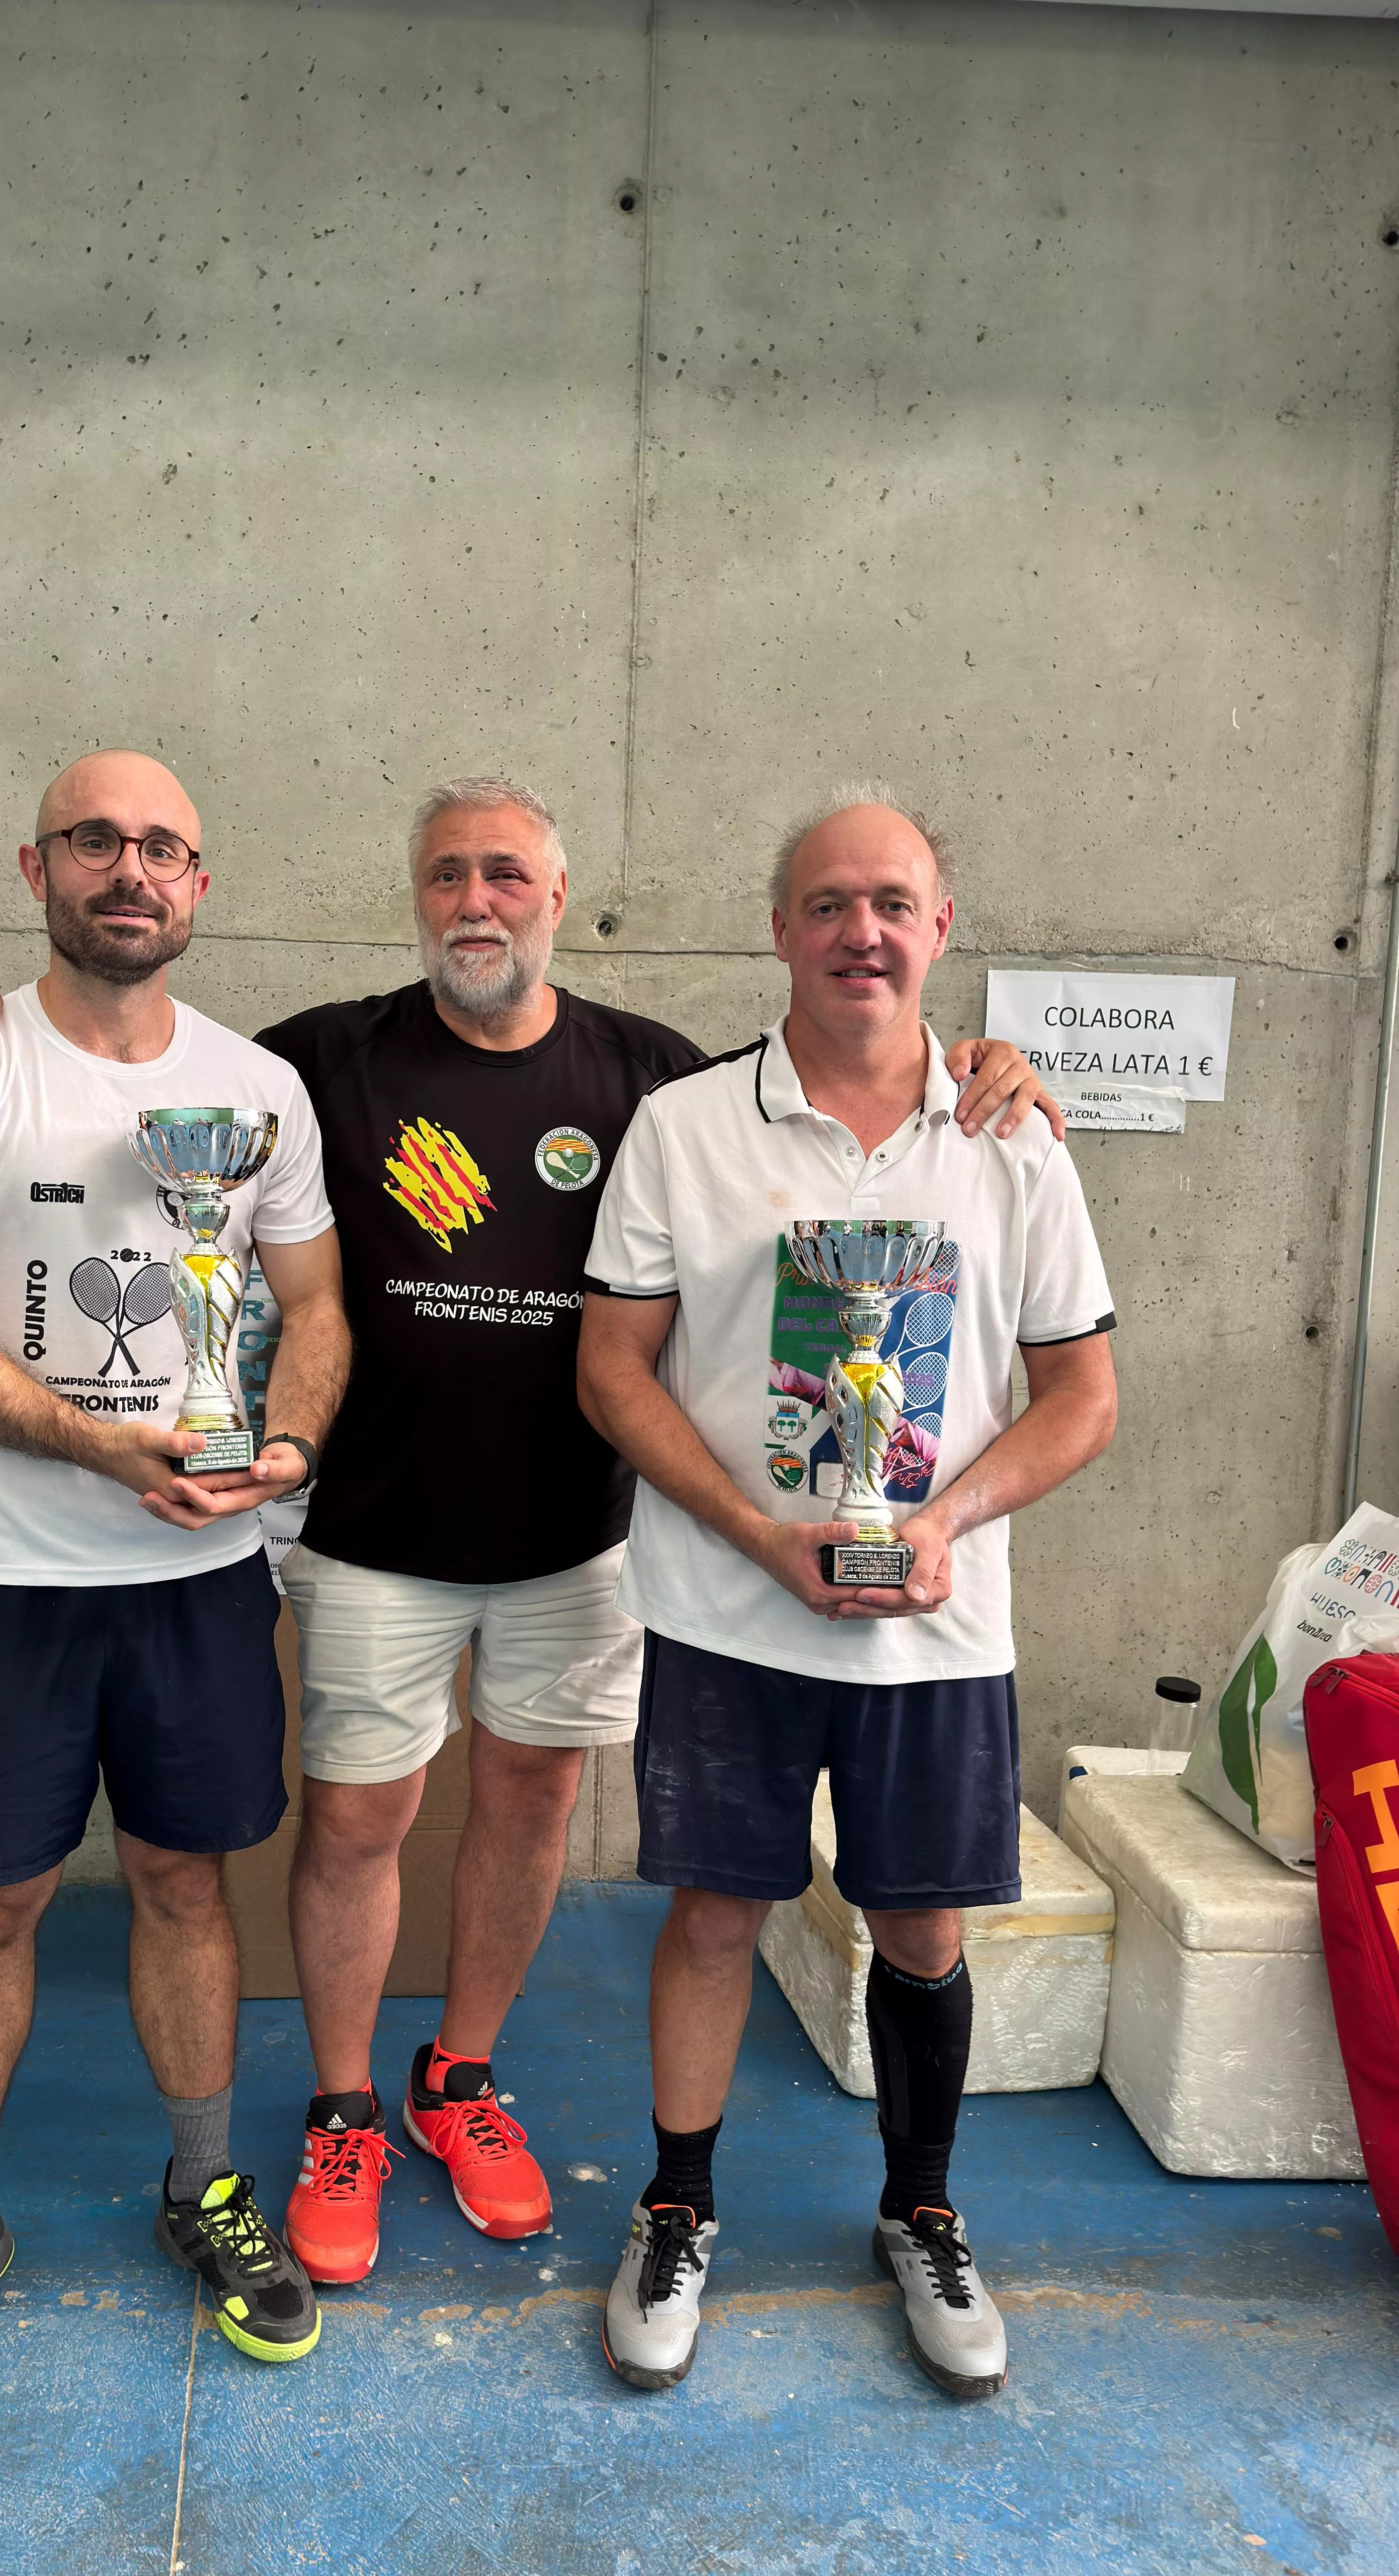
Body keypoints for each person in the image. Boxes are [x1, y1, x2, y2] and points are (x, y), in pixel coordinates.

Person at [0, 778, 1061, 2292]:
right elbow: (138, 1057)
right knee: (359, 1824)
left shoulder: (651, 1076)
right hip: (372, 1532)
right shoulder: (319, 1059)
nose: (477, 902)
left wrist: (982, 1069)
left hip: (583, 1541)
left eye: (508, 875)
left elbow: (830, 1114)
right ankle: (347, 2106)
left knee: (529, 1809)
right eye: (447, 877)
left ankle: (462, 2079)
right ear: (417, 898)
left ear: (561, 897)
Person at [0, 749, 350, 2421]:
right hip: (2, 1582)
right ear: (38, 863)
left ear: (202, 887)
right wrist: (103, 1449)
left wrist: (285, 1438)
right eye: (100, 841)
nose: (134, 870)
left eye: (168, 849)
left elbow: (316, 1306)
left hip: (200, 1580)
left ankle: (200, 2186)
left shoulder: (259, 1087)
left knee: (191, 1887)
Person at [577, 794, 1117, 2401]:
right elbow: (613, 1372)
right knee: (715, 1911)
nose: (861, 932)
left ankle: (923, 2208)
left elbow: (1081, 1398)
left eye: (892, 902)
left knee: (923, 1924)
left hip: (935, 1622)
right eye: (828, 904)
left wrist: (945, 1520)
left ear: (941, 926)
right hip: (729, 1612)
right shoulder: (684, 1128)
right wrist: (755, 1532)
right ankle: (677, 2207)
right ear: (781, 930)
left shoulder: (1014, 1141)